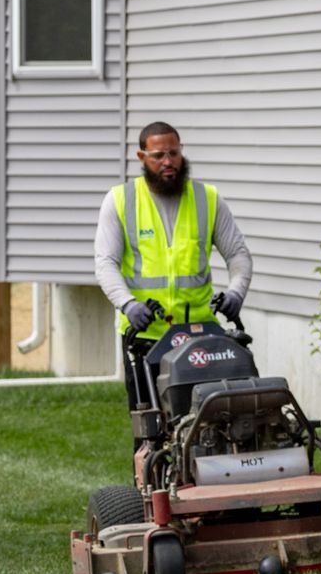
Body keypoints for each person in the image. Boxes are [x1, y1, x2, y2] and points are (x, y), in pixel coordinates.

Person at [94, 121, 253, 408]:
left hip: (202, 334)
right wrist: (128, 304)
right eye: (158, 156)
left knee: (214, 418)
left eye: (174, 153)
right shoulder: (120, 201)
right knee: (150, 428)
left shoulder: (208, 199)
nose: (168, 162)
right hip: (146, 336)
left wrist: (235, 293)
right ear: (142, 157)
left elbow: (238, 254)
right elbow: (106, 263)